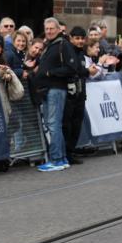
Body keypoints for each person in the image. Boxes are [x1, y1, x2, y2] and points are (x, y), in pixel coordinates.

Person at [34, 17, 77, 172]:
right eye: (47, 29)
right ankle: (62, 158)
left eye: (52, 28)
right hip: (49, 89)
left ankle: (57, 160)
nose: (49, 31)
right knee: (54, 125)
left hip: (56, 89)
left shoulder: (63, 45)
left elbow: (72, 68)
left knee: (53, 125)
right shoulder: (50, 45)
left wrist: (48, 72)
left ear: (59, 29)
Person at [63, 27, 90, 165]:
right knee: (67, 126)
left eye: (82, 38)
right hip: (69, 95)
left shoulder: (81, 53)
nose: (80, 41)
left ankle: (70, 152)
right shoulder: (68, 52)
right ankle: (65, 153)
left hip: (80, 95)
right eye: (77, 38)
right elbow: (72, 71)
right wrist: (86, 71)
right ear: (71, 38)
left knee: (76, 125)